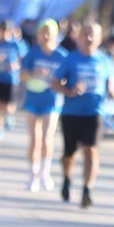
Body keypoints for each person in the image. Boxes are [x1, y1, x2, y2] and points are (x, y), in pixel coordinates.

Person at [53, 21, 114, 208]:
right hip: (72, 112)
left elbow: (111, 82)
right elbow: (55, 83)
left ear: (99, 39)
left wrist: (112, 92)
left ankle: (87, 189)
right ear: (79, 37)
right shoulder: (70, 59)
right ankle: (67, 179)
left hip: (94, 112)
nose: (89, 38)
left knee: (91, 149)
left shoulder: (105, 61)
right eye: (86, 34)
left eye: (93, 35)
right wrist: (70, 91)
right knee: (69, 154)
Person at [20, 20, 69, 191]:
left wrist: (58, 82)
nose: (46, 35)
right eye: (43, 31)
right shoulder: (32, 54)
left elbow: (66, 79)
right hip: (33, 99)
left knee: (47, 139)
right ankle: (33, 175)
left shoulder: (62, 56)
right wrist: (35, 73)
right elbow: (22, 76)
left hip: (52, 100)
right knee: (35, 139)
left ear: (56, 34)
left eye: (49, 32)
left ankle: (45, 173)